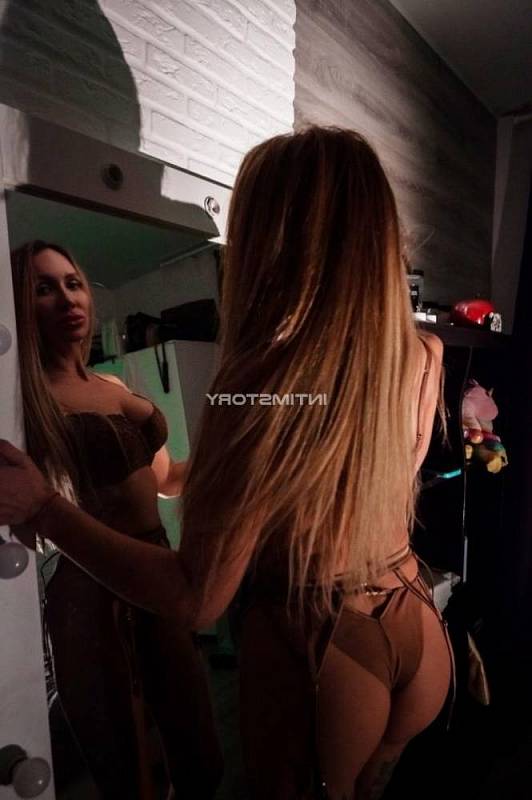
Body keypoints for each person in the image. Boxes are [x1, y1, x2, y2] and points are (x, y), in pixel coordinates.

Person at [1, 128, 453, 799]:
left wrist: (43, 509)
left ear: (272, 241)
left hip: (323, 639)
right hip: (413, 615)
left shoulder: (263, 385)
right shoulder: (422, 350)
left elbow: (198, 597)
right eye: (44, 289)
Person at [5, 241, 222, 800]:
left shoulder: (115, 387)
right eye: (43, 288)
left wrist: (235, 451)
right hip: (91, 587)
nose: (66, 298)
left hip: (156, 568)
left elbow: (167, 480)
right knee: (126, 769)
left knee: (198, 753)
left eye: (72, 283)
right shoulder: (23, 401)